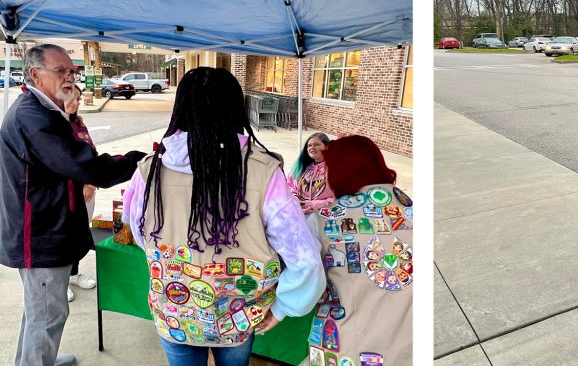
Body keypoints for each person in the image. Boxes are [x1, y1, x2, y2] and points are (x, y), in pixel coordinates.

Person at [122, 68, 325, 366]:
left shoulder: (149, 169)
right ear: (235, 108)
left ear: (180, 108)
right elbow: (304, 259)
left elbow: (139, 233)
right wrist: (284, 307)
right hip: (238, 315)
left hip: (174, 309)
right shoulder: (264, 171)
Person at [1, 44, 145, 366]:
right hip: (40, 234)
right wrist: (139, 161)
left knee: (40, 312)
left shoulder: (47, 111)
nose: (69, 77)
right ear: (36, 75)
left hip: (46, 227)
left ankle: (38, 360)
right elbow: (85, 165)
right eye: (61, 71)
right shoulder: (34, 118)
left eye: (72, 71)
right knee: (46, 317)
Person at [309, 136, 412, 366]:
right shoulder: (412, 208)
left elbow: (304, 274)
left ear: (341, 171)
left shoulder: (322, 219)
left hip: (348, 346)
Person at [63, 86, 100, 304]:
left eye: (78, 98)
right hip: (66, 195)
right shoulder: (53, 127)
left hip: (87, 191)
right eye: (72, 99)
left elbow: (92, 154)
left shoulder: (78, 124)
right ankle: (62, 280)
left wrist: (92, 182)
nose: (76, 103)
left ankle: (74, 274)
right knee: (65, 236)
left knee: (79, 233)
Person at [290, 132, 336, 220]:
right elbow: (289, 185)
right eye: (309, 145)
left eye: (316, 144)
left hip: (322, 216)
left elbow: (341, 198)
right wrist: (294, 198)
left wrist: (314, 204)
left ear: (327, 147)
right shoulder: (300, 166)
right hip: (297, 212)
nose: (312, 148)